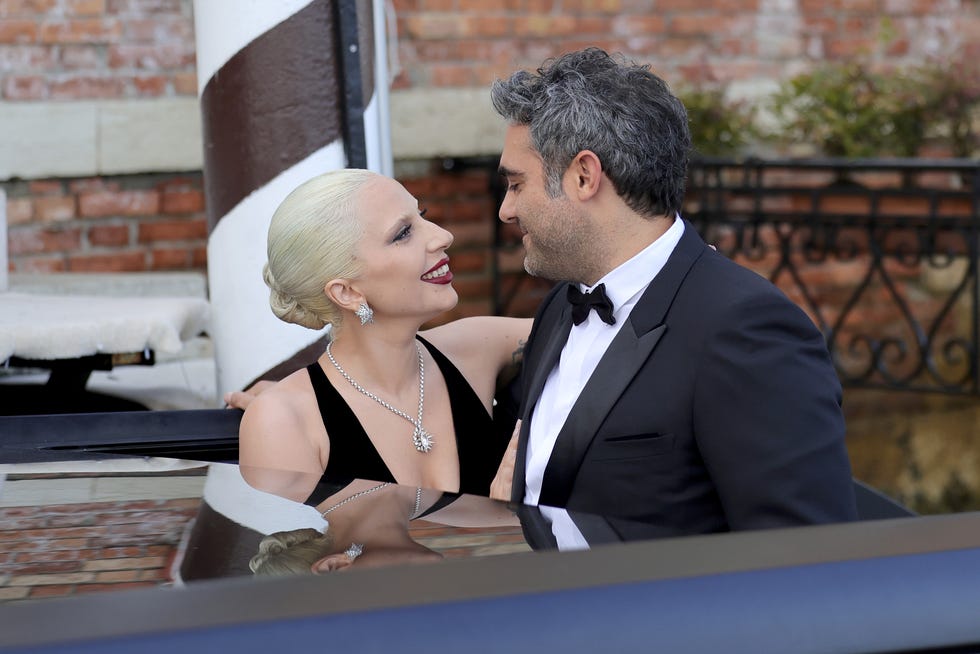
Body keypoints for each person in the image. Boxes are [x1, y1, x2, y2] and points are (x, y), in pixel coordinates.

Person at [491, 47, 858, 537]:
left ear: (584, 176)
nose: (505, 211)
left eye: (516, 185)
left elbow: (806, 554)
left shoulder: (745, 329)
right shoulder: (561, 305)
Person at [238, 168, 530, 508]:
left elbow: (599, 330)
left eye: (423, 217)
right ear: (346, 292)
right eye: (403, 233)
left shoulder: (479, 346)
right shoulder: (284, 423)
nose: (442, 236)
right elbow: (298, 552)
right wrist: (511, 512)